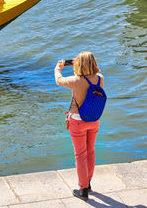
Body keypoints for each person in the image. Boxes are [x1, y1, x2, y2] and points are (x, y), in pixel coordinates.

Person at [54, 51, 104, 201]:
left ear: (80, 64)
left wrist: (58, 68)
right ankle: (88, 183)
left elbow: (59, 80)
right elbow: (91, 75)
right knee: (90, 151)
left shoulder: (75, 81)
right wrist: (83, 63)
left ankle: (82, 190)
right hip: (94, 120)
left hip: (77, 121)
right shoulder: (100, 79)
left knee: (80, 155)